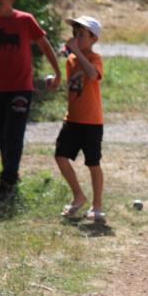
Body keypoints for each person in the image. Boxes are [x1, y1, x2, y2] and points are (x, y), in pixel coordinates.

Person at [0, 0, 61, 200]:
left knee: (13, 134)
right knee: (1, 136)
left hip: (20, 88)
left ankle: (7, 179)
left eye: (0, 3)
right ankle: (11, 175)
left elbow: (44, 44)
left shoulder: (25, 20)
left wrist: (57, 71)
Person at [54, 15, 105, 221]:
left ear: (94, 39)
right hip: (72, 119)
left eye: (81, 35)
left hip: (91, 121)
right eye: (74, 33)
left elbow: (93, 75)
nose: (76, 38)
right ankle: (78, 196)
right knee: (60, 156)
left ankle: (97, 205)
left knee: (93, 163)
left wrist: (75, 52)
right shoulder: (71, 59)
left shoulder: (95, 59)